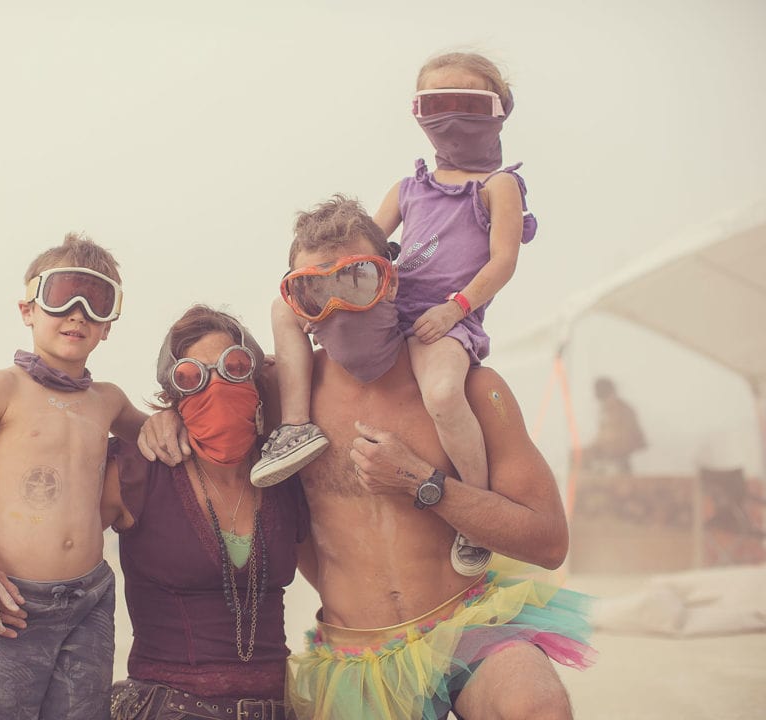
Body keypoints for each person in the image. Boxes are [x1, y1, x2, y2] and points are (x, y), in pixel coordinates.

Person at [279, 196, 593, 720]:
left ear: (392, 281)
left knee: (535, 705)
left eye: (358, 281)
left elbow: (549, 541)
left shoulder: (470, 391)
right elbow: (202, 406)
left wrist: (424, 482)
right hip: (357, 653)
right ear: (296, 303)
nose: (338, 306)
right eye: (314, 290)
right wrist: (163, 421)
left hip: (467, 623)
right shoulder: (285, 396)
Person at [257, 51, 538, 577]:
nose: (450, 116)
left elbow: (503, 262)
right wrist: (317, 289)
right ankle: (295, 427)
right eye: (436, 103)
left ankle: (473, 510)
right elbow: (363, 245)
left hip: (446, 317)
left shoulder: (498, 186)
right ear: (419, 113)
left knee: (442, 394)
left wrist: (455, 310)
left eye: (466, 102)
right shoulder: (408, 188)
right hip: (388, 302)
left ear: (498, 111)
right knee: (283, 307)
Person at [0, 233, 149, 720]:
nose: (77, 314)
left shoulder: (108, 400)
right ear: (28, 309)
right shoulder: (0, 388)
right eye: (62, 296)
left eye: (95, 302)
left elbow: (161, 436)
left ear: (108, 326)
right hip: (10, 602)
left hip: (90, 598)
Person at [101, 305, 310, 720]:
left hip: (278, 707)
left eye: (233, 366)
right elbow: (61, 551)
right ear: (174, 395)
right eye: (192, 377)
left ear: (254, 378)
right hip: (169, 706)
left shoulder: (286, 473)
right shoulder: (137, 470)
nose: (216, 385)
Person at [580, 376, 646, 475]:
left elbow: (629, 439)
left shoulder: (623, 410)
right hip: (608, 460)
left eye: (605, 398)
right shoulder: (606, 412)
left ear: (611, 393)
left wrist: (604, 447)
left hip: (619, 460)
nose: (604, 403)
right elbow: (602, 436)